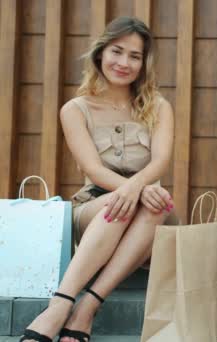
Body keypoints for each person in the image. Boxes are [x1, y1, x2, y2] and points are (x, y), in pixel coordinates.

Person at [20, 16, 175, 342]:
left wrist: (140, 189)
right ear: (101, 53)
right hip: (96, 205)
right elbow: (93, 170)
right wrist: (134, 190)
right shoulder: (75, 109)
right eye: (117, 52)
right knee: (120, 204)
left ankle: (86, 307)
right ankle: (60, 305)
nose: (124, 62)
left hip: (151, 210)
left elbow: (160, 161)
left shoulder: (158, 106)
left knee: (155, 207)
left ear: (144, 63)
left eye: (135, 56)